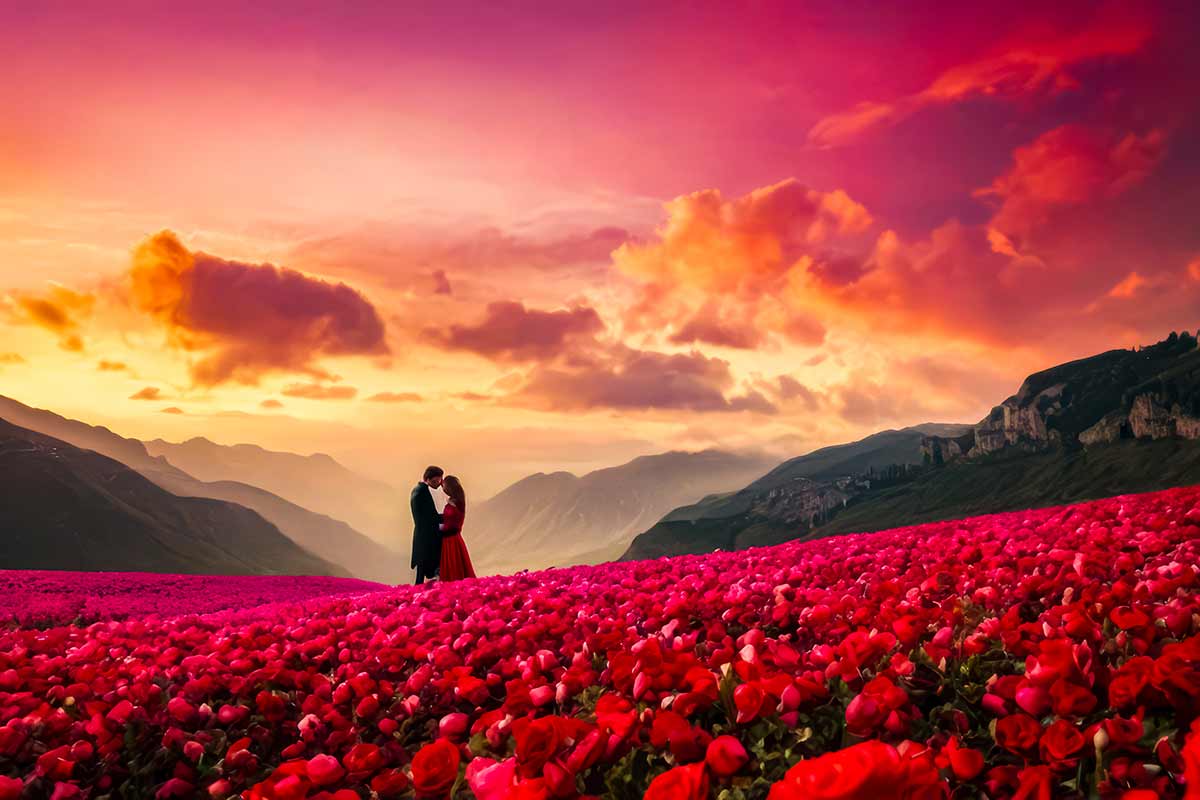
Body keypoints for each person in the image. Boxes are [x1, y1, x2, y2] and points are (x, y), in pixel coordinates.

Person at [438, 475, 476, 581]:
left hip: (452, 539)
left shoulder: (456, 502)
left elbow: (453, 519)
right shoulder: (456, 500)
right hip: (449, 538)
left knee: (454, 565)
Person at [410, 465, 444, 584]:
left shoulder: (417, 490)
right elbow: (431, 516)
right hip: (427, 537)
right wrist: (448, 517)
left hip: (421, 535)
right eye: (437, 481)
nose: (439, 484)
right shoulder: (423, 492)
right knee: (427, 569)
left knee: (421, 572)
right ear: (428, 479)